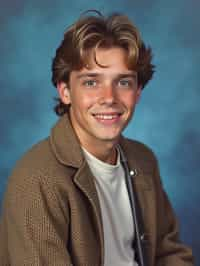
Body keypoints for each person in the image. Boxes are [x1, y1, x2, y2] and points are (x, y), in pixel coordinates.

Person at [0, 11, 194, 266]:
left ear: (137, 92)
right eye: (91, 82)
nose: (109, 97)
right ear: (66, 91)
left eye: (123, 82)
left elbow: (169, 253)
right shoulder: (37, 180)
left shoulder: (143, 160)